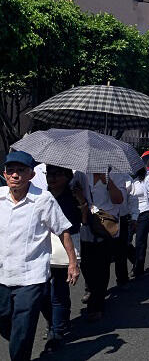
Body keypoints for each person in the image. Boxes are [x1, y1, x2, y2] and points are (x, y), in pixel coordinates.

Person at [0, 152, 79, 361]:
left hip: (31, 276)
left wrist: (73, 263)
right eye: (11, 170)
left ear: (31, 174)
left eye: (21, 171)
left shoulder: (43, 199)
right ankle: (19, 339)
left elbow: (63, 230)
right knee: (5, 319)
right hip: (2, 274)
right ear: (4, 174)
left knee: (23, 326)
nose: (15, 175)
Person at [40, 165, 84, 352]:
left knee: (58, 289)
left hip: (63, 249)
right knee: (42, 293)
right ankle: (56, 321)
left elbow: (81, 222)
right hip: (41, 248)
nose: (52, 178)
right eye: (50, 174)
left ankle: (56, 330)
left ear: (67, 177)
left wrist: (81, 202)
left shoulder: (72, 196)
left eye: (57, 174)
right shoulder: (41, 196)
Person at [80, 168, 124, 321]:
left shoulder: (114, 174)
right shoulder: (81, 173)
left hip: (105, 226)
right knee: (85, 264)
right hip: (86, 224)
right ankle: (93, 291)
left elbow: (119, 199)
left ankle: (96, 304)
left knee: (102, 265)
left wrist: (108, 182)